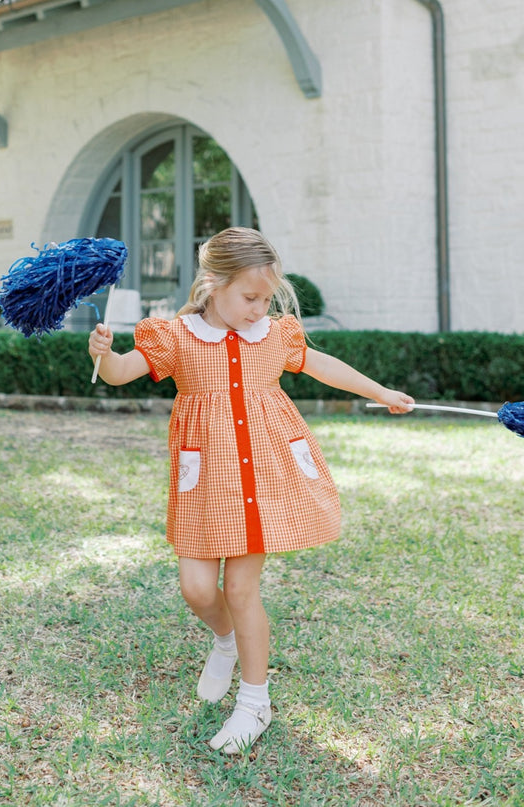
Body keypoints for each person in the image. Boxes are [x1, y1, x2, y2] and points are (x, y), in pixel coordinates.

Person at [88, 227, 414, 754]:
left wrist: (380, 392)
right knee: (197, 589)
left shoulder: (274, 335)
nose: (260, 308)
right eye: (250, 297)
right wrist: (103, 354)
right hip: (205, 482)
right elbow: (123, 371)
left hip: (261, 475)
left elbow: (319, 364)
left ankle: (254, 702)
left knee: (241, 589)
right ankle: (226, 641)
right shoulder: (175, 336)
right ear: (213, 285)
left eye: (266, 298)